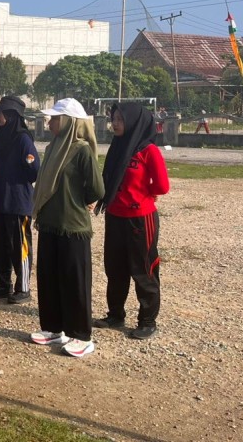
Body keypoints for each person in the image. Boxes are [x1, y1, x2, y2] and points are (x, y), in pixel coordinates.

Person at [29, 98, 104, 358]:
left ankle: (81, 335)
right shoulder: (53, 148)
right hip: (49, 223)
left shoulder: (81, 150)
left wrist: (81, 202)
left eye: (54, 118)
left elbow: (97, 188)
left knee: (75, 281)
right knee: (49, 278)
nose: (49, 123)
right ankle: (53, 328)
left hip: (73, 226)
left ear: (69, 122)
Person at [94, 103, 170, 340]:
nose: (114, 123)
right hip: (115, 216)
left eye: (119, 119)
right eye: (113, 118)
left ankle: (147, 320)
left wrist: (141, 194)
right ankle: (115, 314)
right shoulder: (118, 146)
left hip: (140, 219)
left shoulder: (148, 151)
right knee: (115, 268)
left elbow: (162, 186)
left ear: (133, 122)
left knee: (143, 269)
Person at [0, 95, 40, 304]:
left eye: (0, 113)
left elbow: (34, 169)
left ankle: (23, 288)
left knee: (19, 246)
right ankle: (2, 285)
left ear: (10, 115)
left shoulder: (23, 139)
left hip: (17, 202)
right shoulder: (1, 136)